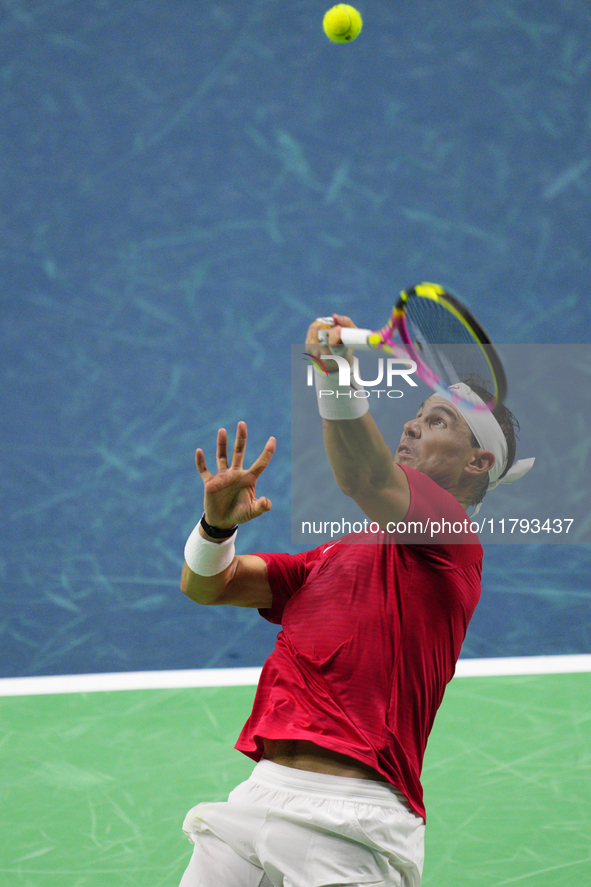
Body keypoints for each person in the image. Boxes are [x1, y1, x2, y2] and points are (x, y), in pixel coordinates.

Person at [177, 313, 533, 887]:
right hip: (254, 802)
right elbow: (207, 586)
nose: (412, 428)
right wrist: (214, 529)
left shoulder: (451, 537)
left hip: (354, 821)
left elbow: (366, 479)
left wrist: (334, 375)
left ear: (478, 463)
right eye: (416, 416)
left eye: (437, 421)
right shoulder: (330, 557)